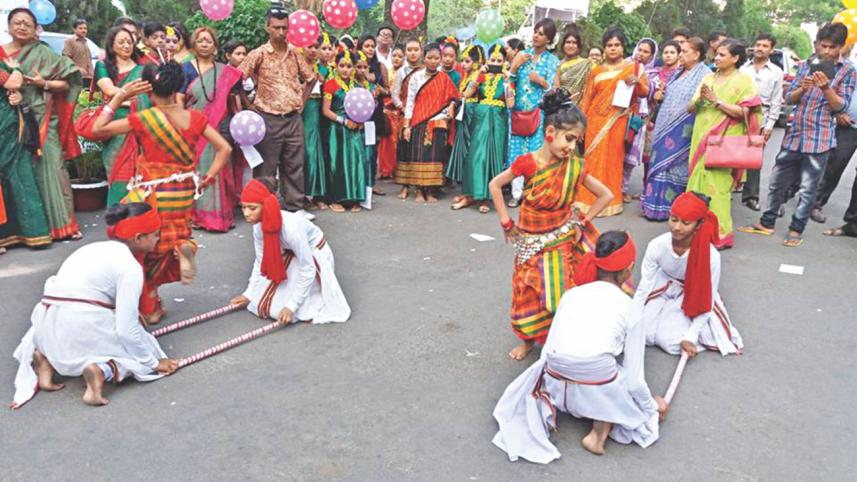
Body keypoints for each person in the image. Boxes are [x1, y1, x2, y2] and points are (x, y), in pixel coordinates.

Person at [492, 231, 668, 463]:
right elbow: (635, 380)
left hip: (555, 383)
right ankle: (598, 434)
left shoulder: (571, 294)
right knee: (619, 375)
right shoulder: (631, 307)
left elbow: (547, 352)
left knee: (595, 364)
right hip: (594, 387)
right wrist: (652, 407)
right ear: (629, 268)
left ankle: (563, 406)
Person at [91, 61, 232, 324]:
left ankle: (150, 306)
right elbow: (225, 148)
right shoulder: (195, 118)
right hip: (183, 189)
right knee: (173, 236)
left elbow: (97, 130)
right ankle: (184, 246)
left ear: (149, 91)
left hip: (152, 192)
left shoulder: (143, 119)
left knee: (145, 248)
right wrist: (208, 178)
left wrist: (119, 96)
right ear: (178, 87)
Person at [11, 202, 179, 409]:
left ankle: (46, 357)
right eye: (155, 234)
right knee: (140, 352)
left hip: (47, 324)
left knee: (136, 334)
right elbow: (127, 330)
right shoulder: (129, 267)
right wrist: (155, 363)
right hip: (81, 321)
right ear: (138, 238)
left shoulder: (93, 248)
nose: (158, 239)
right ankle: (100, 371)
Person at [488, 88, 614, 361]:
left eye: (576, 141)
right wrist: (506, 222)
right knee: (526, 291)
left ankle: (560, 339)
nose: (571, 147)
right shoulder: (528, 163)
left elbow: (606, 195)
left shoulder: (576, 166)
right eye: (568, 139)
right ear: (549, 132)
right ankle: (528, 340)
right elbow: (495, 185)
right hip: (528, 242)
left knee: (559, 293)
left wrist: (585, 219)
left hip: (561, 240)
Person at [740, 23, 856, 247]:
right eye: (824, 46)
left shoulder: (848, 71)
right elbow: (789, 98)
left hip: (820, 138)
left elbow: (841, 107)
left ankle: (796, 229)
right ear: (817, 44)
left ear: (841, 47)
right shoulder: (806, 64)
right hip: (795, 133)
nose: (827, 52)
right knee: (777, 182)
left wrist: (825, 88)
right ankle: (767, 222)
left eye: (833, 47)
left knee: (808, 188)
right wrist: (802, 88)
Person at [2, 7, 83, 241]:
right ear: (8, 27)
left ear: (35, 28)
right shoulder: (0, 55)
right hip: (9, 123)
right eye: (17, 22)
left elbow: (68, 82)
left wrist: (43, 83)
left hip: (41, 118)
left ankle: (64, 224)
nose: (22, 26)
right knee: (18, 175)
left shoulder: (43, 52)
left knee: (53, 169)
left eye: (27, 23)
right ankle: (27, 230)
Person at [634, 192, 743, 357]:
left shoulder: (711, 256)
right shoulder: (657, 245)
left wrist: (691, 336)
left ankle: (694, 332)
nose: (677, 227)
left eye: (686, 223)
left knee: (670, 343)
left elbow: (708, 298)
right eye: (674, 219)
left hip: (694, 292)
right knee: (645, 335)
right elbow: (644, 286)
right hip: (662, 285)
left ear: (699, 224)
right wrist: (632, 318)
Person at [230, 179, 351, 324]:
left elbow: (308, 268)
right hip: (288, 253)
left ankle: (311, 293)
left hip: (315, 254)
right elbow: (261, 261)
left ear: (265, 206)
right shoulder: (258, 227)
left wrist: (291, 306)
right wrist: (249, 293)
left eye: (252, 208)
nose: (246, 214)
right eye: (243, 208)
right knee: (258, 303)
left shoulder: (292, 229)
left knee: (284, 309)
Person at [238, 5, 315, 215]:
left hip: (292, 118)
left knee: (295, 165)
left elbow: (311, 78)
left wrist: (302, 104)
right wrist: (249, 104)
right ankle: (262, 207)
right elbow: (237, 78)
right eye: (276, 28)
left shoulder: (295, 54)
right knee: (266, 168)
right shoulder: (259, 54)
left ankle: (294, 208)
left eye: (284, 28)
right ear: (267, 27)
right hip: (267, 118)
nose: (281, 32)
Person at [686, 39, 760, 249]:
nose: (716, 58)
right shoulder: (708, 77)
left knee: (717, 189)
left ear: (736, 58)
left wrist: (717, 101)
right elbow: (690, 108)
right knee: (696, 186)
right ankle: (695, 231)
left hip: (723, 143)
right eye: (716, 54)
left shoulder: (744, 81)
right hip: (701, 138)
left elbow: (747, 112)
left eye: (722, 55)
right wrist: (701, 99)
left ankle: (720, 235)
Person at [578, 27, 649, 217]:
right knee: (591, 160)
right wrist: (581, 124)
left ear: (623, 47)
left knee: (613, 160)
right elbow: (587, 99)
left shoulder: (632, 68)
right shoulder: (596, 71)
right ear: (604, 48)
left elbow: (644, 93)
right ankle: (586, 200)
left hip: (617, 121)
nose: (613, 48)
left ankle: (611, 201)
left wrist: (637, 82)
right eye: (609, 45)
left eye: (617, 45)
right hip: (594, 122)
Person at [181, 27, 243, 232]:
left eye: (209, 40)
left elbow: (234, 101)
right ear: (193, 45)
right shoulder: (185, 69)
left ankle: (219, 216)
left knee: (219, 169)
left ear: (215, 46)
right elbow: (180, 100)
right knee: (196, 170)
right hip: (192, 126)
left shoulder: (225, 71)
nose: (205, 43)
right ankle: (197, 216)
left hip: (219, 127)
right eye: (200, 40)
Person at [642, 37, 711, 221]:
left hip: (684, 131)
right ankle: (652, 207)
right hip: (663, 127)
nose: (681, 55)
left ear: (697, 55)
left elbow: (701, 103)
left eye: (685, 51)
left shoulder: (705, 74)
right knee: (658, 166)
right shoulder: (677, 72)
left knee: (674, 168)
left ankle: (673, 209)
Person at [507, 19, 561, 208]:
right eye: (536, 32)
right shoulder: (522, 55)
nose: (536, 36)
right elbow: (509, 81)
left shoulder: (553, 61)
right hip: (518, 112)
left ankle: (533, 194)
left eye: (541, 33)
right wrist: (515, 66)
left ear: (549, 39)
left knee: (535, 153)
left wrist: (542, 82)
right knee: (516, 153)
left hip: (538, 114)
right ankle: (516, 193)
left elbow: (556, 91)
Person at [0, 54, 52, 251]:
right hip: (5, 127)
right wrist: (17, 70)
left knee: (19, 176)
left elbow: (11, 88)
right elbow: (13, 81)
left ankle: (29, 234)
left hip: (8, 127)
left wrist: (17, 96)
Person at [94, 26, 150, 205]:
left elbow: (151, 95)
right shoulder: (103, 66)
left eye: (129, 42)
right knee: (117, 173)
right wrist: (128, 99)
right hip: (114, 125)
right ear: (111, 45)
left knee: (140, 174)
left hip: (140, 126)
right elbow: (109, 90)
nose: (126, 45)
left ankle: (140, 223)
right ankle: (119, 221)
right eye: (121, 42)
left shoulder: (143, 69)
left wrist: (126, 99)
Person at [397, 43, 458, 204]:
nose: (433, 61)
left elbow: (454, 97)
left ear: (440, 59)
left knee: (434, 156)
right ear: (424, 58)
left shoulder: (444, 78)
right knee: (418, 156)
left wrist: (449, 109)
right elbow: (410, 101)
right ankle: (418, 190)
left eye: (436, 58)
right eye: (429, 58)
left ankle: (430, 191)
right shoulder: (416, 77)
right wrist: (407, 125)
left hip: (437, 122)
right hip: (418, 120)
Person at [454, 44, 511, 214]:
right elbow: (466, 94)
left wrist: (508, 79)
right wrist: (479, 76)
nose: (495, 63)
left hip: (498, 120)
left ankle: (486, 197)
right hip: (480, 120)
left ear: (505, 62)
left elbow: (510, 103)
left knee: (494, 156)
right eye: (492, 60)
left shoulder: (507, 79)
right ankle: (471, 194)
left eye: (499, 60)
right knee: (476, 156)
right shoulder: (482, 77)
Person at [739, 33, 783, 212]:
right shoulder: (742, 68)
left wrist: (770, 125)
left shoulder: (776, 72)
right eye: (757, 44)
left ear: (771, 50)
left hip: (761, 118)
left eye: (765, 46)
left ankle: (751, 196)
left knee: (754, 160)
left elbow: (776, 100)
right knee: (730, 152)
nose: (760, 48)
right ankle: (725, 189)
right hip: (738, 115)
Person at [322, 50, 368, 212]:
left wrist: (361, 121)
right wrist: (344, 121)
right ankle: (336, 199)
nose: (345, 69)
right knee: (338, 163)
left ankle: (354, 198)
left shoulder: (358, 86)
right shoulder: (330, 85)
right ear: (336, 66)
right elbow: (326, 111)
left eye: (349, 66)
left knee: (355, 162)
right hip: (337, 130)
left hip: (354, 130)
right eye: (342, 66)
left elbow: (364, 108)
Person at [622, 38, 658, 203]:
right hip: (620, 114)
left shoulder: (653, 73)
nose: (641, 54)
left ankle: (622, 188)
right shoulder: (624, 65)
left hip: (639, 118)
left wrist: (640, 82)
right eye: (640, 50)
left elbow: (652, 95)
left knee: (629, 156)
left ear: (651, 56)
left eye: (646, 52)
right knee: (617, 153)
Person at [447, 45, 483, 198]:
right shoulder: (467, 76)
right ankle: (462, 177)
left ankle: (467, 179)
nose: (463, 64)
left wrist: (455, 101)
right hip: (464, 111)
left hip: (471, 112)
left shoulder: (477, 76)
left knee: (468, 144)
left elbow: (467, 94)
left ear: (476, 62)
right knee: (462, 142)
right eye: (462, 61)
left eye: (467, 61)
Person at [392, 38, 423, 198]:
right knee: (404, 150)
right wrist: (403, 108)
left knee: (418, 151)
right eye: (409, 50)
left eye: (415, 49)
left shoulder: (427, 70)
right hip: (405, 116)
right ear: (405, 53)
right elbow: (395, 95)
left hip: (422, 116)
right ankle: (404, 186)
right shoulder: (401, 72)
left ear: (421, 51)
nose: (412, 53)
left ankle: (419, 187)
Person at [303, 33, 331, 211]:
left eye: (316, 47)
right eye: (310, 47)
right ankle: (307, 194)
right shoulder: (297, 66)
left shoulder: (325, 70)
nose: (313, 50)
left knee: (321, 151)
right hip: (305, 111)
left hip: (322, 111)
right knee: (308, 151)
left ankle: (320, 193)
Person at [377, 43, 405, 179]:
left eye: (400, 56)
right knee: (385, 142)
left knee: (397, 142)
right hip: (387, 111)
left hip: (399, 112)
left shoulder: (406, 73)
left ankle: (397, 169)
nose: (397, 58)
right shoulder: (386, 71)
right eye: (394, 55)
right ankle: (385, 169)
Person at [554, 25, 591, 103]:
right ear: (563, 44)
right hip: (560, 109)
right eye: (568, 42)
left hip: (581, 110)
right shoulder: (556, 65)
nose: (571, 46)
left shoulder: (587, 64)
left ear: (579, 46)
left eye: (574, 43)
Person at [62, 19, 93, 88]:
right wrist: (77, 69)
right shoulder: (70, 41)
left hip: (88, 77)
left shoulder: (85, 42)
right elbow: (66, 59)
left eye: (85, 28)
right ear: (74, 29)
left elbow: (89, 60)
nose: (83, 30)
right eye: (80, 28)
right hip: (76, 77)